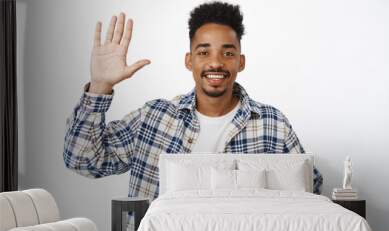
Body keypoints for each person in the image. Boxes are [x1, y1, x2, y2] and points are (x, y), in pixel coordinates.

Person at [64, 1, 323, 202]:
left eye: (228, 53)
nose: (215, 62)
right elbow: (84, 161)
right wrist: (100, 86)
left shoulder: (272, 124)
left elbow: (310, 189)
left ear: (240, 62)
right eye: (204, 52)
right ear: (189, 60)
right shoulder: (153, 118)